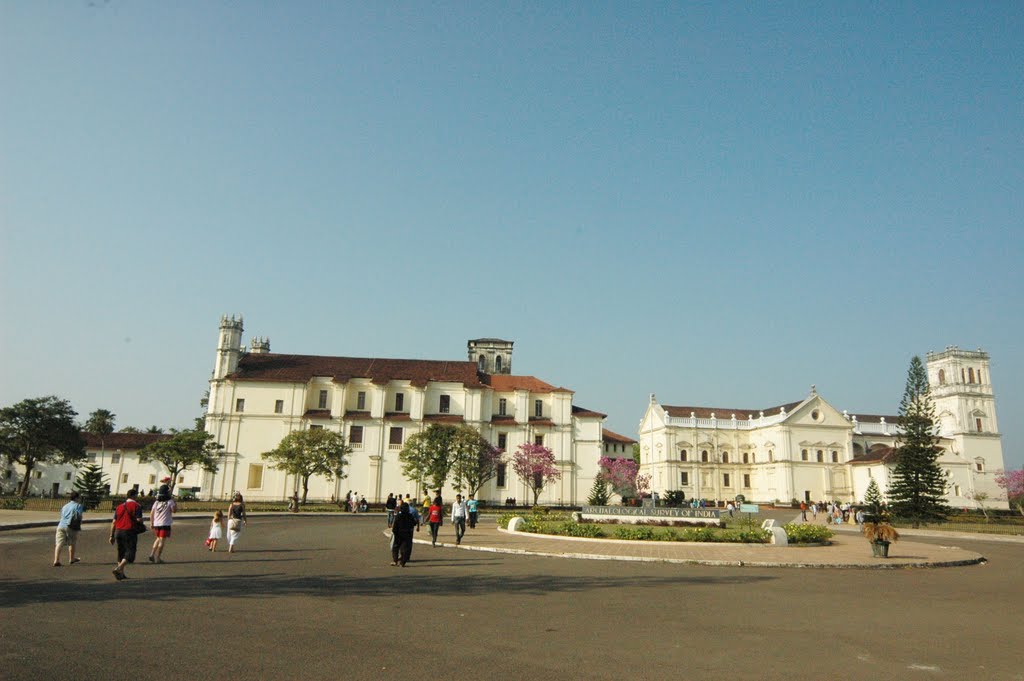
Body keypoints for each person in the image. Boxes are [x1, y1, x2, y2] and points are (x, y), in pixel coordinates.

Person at [110, 488, 143, 580]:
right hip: (129, 531)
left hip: (118, 531)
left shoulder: (119, 506)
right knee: (130, 552)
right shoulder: (137, 506)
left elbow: (113, 522)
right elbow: (139, 519)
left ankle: (121, 573)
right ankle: (119, 568)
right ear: (134, 496)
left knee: (121, 552)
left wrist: (111, 535)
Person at [54, 491, 84, 567]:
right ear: (76, 498)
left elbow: (62, 515)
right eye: (79, 497)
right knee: (72, 542)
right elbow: (79, 516)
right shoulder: (78, 506)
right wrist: (79, 524)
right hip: (71, 525)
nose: (80, 499)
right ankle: (71, 558)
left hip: (61, 525)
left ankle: (56, 560)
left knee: (59, 543)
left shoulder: (65, 506)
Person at [148, 483, 176, 563]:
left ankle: (152, 554)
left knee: (157, 539)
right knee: (162, 541)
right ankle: (158, 558)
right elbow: (174, 511)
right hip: (165, 524)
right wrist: (174, 502)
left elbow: (151, 513)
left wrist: (151, 523)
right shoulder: (170, 501)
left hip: (157, 523)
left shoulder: (156, 502)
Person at [390, 501, 418, 567]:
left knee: (396, 548)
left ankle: (395, 561)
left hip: (398, 534)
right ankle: (402, 562)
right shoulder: (410, 516)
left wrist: (394, 532)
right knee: (405, 549)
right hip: (407, 534)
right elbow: (414, 523)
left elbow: (395, 526)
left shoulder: (398, 516)